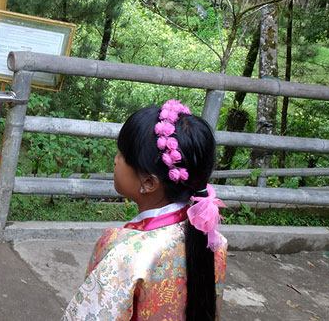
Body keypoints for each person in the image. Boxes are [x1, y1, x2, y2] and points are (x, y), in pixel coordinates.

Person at [62, 100, 227, 321]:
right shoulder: (212, 240)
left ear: (149, 182)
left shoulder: (124, 251)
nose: (116, 159)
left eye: (123, 155)